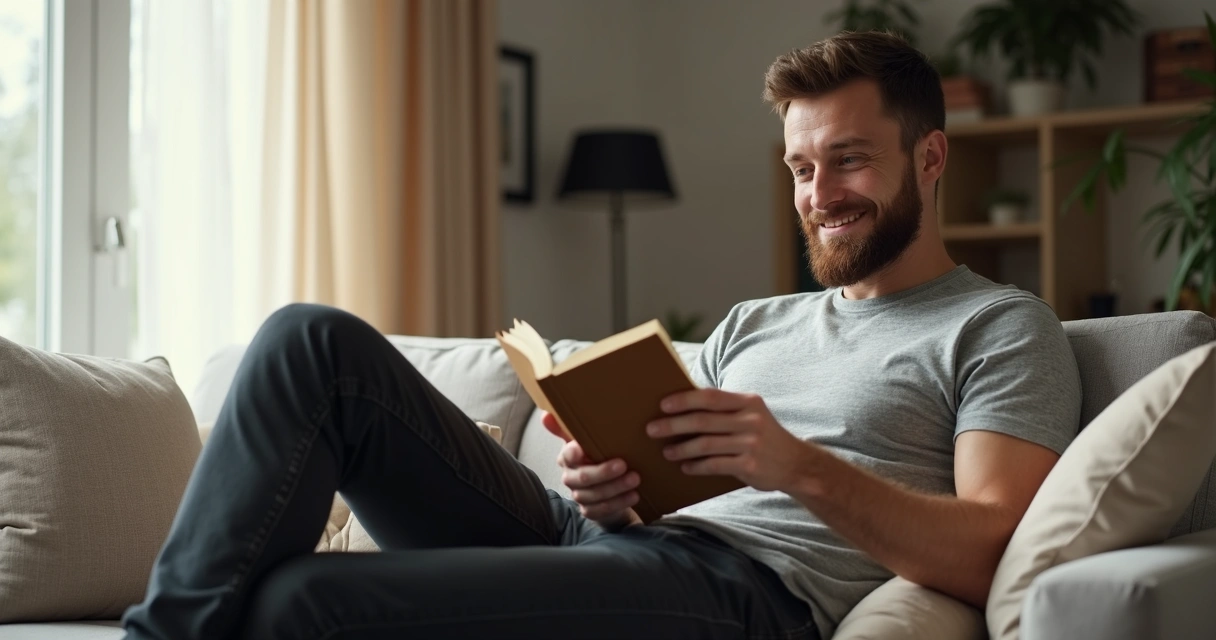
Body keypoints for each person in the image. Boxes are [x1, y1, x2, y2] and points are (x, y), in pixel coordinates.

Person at [122, 31, 1081, 640]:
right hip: (595, 537)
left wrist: (799, 467)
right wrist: (612, 485)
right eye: (798, 167)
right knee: (308, 341)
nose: (817, 196)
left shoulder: (999, 327)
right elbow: (661, 483)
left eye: (849, 162)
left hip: (740, 594)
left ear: (931, 156)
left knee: (300, 603)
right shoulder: (757, 320)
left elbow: (993, 545)